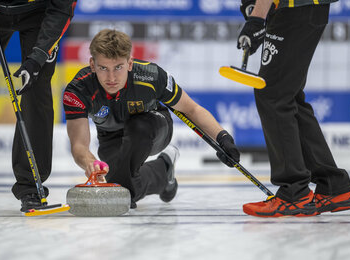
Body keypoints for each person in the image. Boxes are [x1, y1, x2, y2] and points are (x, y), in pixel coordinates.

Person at [63, 29, 240, 208]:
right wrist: (91, 163)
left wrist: (223, 138)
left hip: (153, 128)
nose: (111, 78)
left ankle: (140, 179)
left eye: (118, 67)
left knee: (138, 127)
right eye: (103, 68)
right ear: (92, 65)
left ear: (130, 63)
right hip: (110, 135)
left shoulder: (151, 76)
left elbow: (192, 109)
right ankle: (164, 169)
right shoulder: (78, 90)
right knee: (122, 189)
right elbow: (79, 145)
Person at [0, 0, 77, 212]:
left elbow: (62, 10)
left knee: (36, 91)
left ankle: (31, 185)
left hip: (40, 12)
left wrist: (38, 56)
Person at [237, 0, 350, 217]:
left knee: (272, 94)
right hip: (304, 7)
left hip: (294, 8)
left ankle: (294, 192)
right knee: (286, 94)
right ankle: (332, 186)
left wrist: (257, 18)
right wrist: (253, 7)